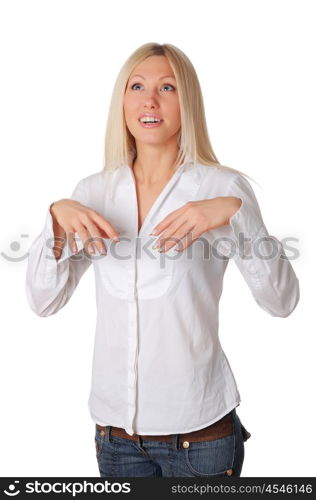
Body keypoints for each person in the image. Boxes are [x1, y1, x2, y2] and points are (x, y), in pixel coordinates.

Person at [25, 42, 300, 477]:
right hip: (115, 439)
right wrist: (56, 220)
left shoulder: (221, 187)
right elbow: (44, 302)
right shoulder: (92, 192)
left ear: (186, 101)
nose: (149, 100)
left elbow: (281, 301)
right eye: (137, 86)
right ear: (123, 100)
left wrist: (236, 214)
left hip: (201, 439)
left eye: (167, 87)